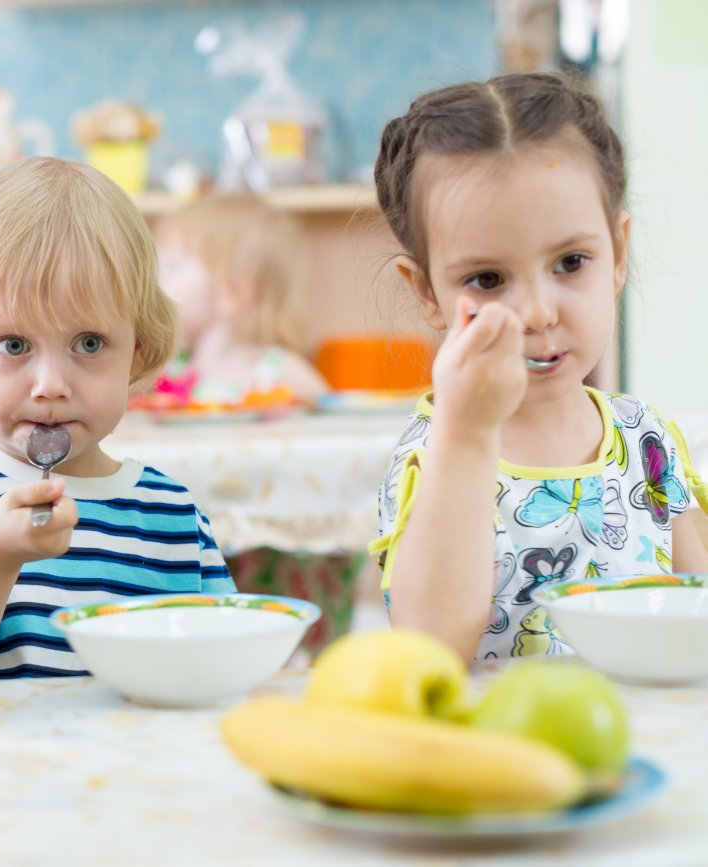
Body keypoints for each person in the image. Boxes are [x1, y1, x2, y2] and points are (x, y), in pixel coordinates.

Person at [369, 72, 708, 664]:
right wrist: (468, 434)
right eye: (488, 279)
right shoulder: (437, 453)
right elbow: (429, 650)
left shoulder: (647, 438)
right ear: (427, 293)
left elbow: (695, 613)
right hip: (501, 750)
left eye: (570, 262)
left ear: (618, 254)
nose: (538, 311)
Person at [0, 156, 236, 681]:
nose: (50, 385)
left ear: (138, 350)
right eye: (13, 344)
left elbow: (214, 664)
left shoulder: (171, 513)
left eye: (89, 343)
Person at [153, 194, 328, 404]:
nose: (154, 278)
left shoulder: (281, 371)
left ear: (233, 293)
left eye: (172, 265)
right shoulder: (168, 372)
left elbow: (335, 425)